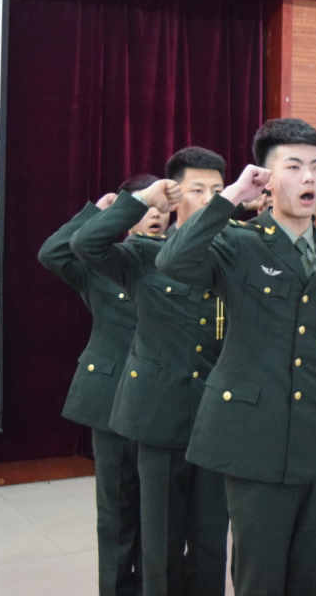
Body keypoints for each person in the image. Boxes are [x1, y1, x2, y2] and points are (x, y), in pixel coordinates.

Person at [155, 119, 316, 596]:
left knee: (314, 576)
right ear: (266, 179)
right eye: (293, 166)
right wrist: (230, 197)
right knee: (260, 576)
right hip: (255, 438)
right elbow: (172, 261)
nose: (309, 177)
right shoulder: (237, 241)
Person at [71, 148, 229, 596]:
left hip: (217, 417)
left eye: (218, 190)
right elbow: (84, 245)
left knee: (211, 540)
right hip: (159, 416)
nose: (209, 199)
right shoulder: (145, 253)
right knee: (160, 541)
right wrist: (139, 201)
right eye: (197, 190)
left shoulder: (235, 252)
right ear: (175, 196)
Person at [39, 174, 162, 596]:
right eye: (144, 208)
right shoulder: (102, 262)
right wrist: (100, 210)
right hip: (111, 400)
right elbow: (52, 253)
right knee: (117, 509)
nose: (155, 216)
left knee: (159, 511)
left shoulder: (181, 261)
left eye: (161, 208)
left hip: (161, 399)